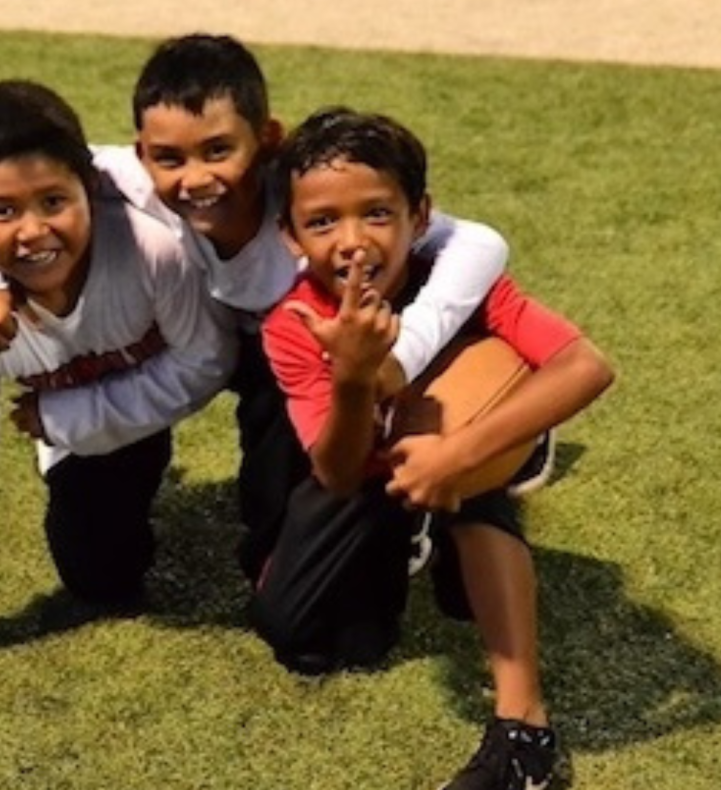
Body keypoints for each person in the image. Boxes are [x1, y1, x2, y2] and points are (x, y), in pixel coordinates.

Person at [0, 34, 525, 584]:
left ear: (268, 138)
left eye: (219, 150)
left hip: (286, 353)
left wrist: (404, 354)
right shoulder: (125, 176)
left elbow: (479, 242)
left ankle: (399, 510)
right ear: (142, 154)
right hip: (177, 345)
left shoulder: (306, 189)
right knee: (100, 572)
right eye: (169, 157)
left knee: (278, 518)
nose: (196, 178)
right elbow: (9, 190)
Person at [254, 107, 614, 789]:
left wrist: (461, 454)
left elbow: (586, 366)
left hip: (460, 441)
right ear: (290, 235)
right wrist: (353, 377)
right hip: (369, 467)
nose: (352, 242)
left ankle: (522, 728)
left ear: (419, 216)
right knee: (301, 632)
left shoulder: (458, 283)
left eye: (376, 213)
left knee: (468, 491)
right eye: (323, 222)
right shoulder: (292, 323)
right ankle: (422, 517)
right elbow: (337, 472)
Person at [0, 79, 237, 688]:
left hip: (186, 349)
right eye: (3, 212)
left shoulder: (152, 250)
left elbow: (209, 361)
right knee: (101, 577)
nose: (34, 231)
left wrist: (70, 415)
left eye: (54, 201)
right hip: (113, 404)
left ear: (89, 187)